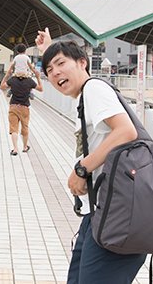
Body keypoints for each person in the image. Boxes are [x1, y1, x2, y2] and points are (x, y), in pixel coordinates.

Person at [36, 27, 145, 283]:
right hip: (99, 214)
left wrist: (81, 170)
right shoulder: (86, 95)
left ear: (83, 62)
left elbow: (126, 132)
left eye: (61, 64)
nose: (55, 73)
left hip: (115, 217)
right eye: (49, 70)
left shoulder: (94, 89)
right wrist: (51, 49)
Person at [0, 67, 42, 156]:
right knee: (25, 127)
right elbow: (40, 89)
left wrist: (7, 75)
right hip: (24, 107)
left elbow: (2, 87)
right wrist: (38, 77)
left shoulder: (12, 80)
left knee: (14, 128)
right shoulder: (29, 81)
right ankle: (25, 147)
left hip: (13, 106)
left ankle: (15, 149)